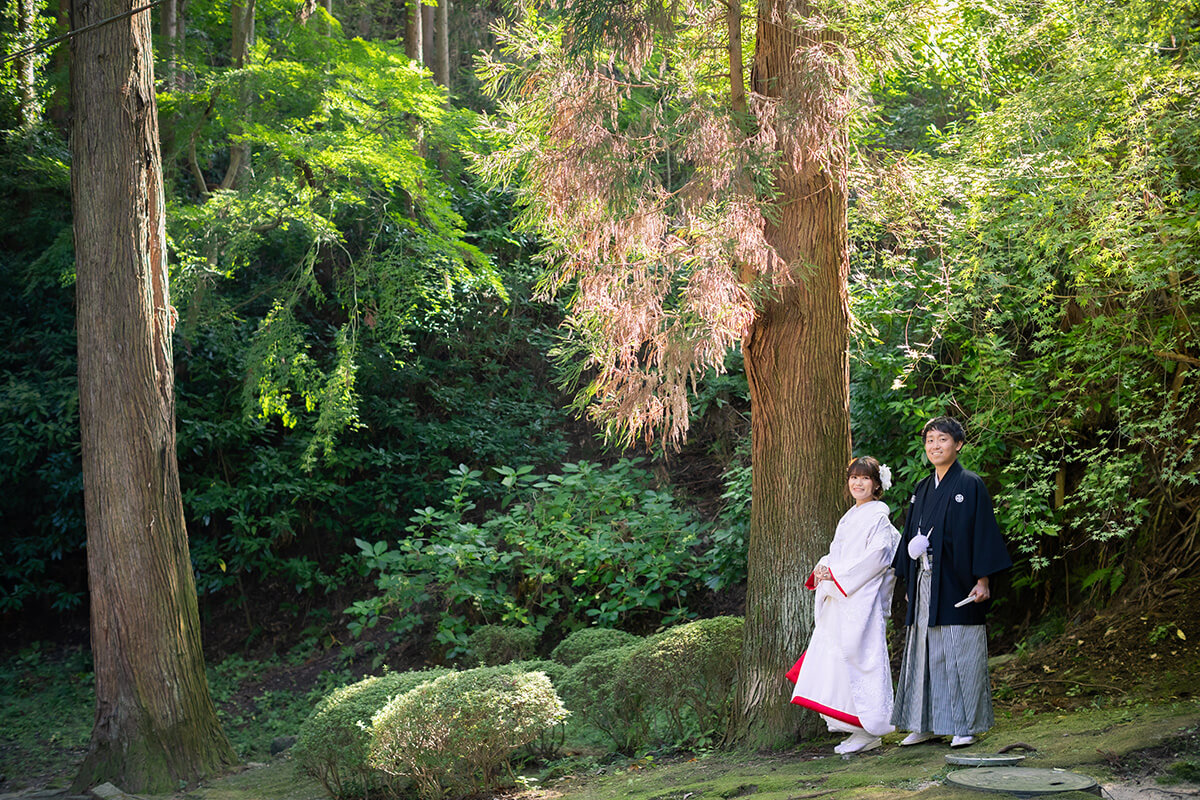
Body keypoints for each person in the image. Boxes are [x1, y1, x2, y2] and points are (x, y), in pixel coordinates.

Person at [891, 416, 1012, 748]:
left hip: (959, 584)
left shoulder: (971, 484)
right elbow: (910, 537)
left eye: (942, 439)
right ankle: (922, 723)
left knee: (960, 653)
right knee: (924, 653)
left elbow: (982, 534)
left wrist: (983, 580)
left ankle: (966, 725)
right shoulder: (922, 488)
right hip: (925, 582)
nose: (935, 445)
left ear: (957, 445)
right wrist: (910, 582)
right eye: (930, 440)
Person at [787, 456, 902, 755]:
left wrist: (836, 576)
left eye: (864, 478)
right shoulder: (849, 517)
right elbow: (835, 554)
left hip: (861, 601)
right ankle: (856, 727)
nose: (858, 483)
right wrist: (824, 570)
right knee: (836, 661)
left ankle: (871, 727)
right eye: (853, 477)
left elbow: (877, 558)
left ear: (877, 484)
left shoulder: (879, 518)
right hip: (843, 598)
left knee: (861, 659)